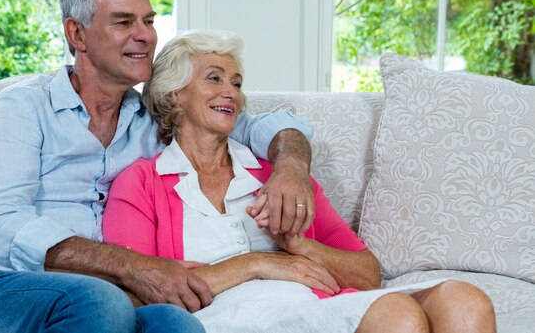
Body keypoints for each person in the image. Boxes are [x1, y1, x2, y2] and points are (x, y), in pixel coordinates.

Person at [0, 0, 317, 333]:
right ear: (77, 35)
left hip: (98, 300)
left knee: (174, 322)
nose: (145, 35)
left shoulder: (153, 117)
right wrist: (133, 267)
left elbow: (269, 126)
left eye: (148, 21)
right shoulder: (24, 106)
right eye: (124, 22)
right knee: (102, 299)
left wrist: (291, 169)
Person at [103, 29, 497, 333]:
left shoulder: (274, 176)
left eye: (237, 83)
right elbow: (140, 296)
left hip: (311, 307)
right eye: (215, 78)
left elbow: (366, 273)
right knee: (397, 314)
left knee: (463, 300)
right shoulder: (140, 184)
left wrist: (298, 245)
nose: (231, 93)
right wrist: (259, 263)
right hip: (226, 319)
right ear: (173, 94)